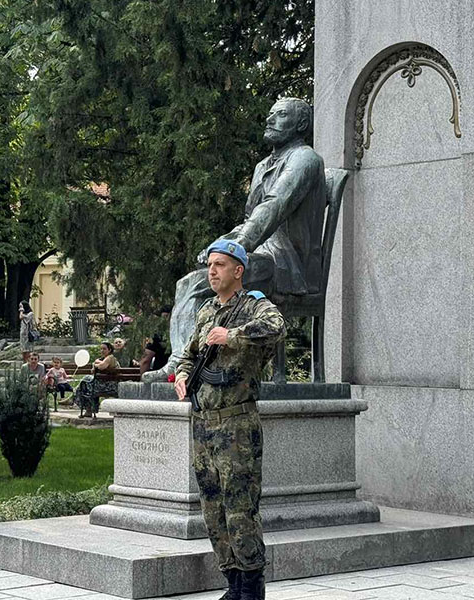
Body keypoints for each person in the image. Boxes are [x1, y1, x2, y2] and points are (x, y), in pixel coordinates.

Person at [146, 97, 324, 382]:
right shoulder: (263, 165)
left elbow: (273, 208)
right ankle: (186, 363)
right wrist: (221, 245)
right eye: (269, 114)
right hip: (260, 254)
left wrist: (235, 249)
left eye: (279, 115)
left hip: (287, 261)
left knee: (196, 284)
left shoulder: (305, 159)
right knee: (187, 283)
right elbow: (249, 218)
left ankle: (186, 366)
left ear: (301, 123)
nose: (269, 119)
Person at [173, 240, 284, 600]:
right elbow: (189, 354)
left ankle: (252, 585)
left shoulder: (254, 306)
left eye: (220, 264)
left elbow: (277, 327)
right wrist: (182, 375)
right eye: (210, 264)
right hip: (204, 425)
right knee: (213, 511)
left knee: (240, 509)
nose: (212, 270)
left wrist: (232, 335)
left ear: (238, 271)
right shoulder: (205, 311)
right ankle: (232, 583)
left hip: (237, 427)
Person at [73, 341, 119, 419]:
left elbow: (102, 366)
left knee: (85, 384)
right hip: (104, 385)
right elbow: (94, 370)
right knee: (86, 384)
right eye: (101, 349)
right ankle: (88, 409)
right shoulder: (105, 359)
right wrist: (97, 363)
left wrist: (95, 364)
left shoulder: (110, 358)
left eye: (104, 349)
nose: (102, 351)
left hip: (109, 386)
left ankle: (86, 408)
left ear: (110, 350)